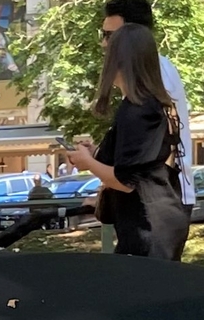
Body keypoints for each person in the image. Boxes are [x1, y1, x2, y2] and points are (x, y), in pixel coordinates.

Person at [63, 22, 189, 260]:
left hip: (148, 226)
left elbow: (126, 180)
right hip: (154, 221)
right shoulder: (145, 105)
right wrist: (94, 155)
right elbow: (139, 163)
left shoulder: (138, 110)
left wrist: (88, 162)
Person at [102, 0, 199, 212]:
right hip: (157, 200)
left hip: (161, 202)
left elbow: (143, 156)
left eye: (110, 35)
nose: (104, 43)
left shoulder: (154, 73)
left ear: (133, 35)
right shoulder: (153, 70)